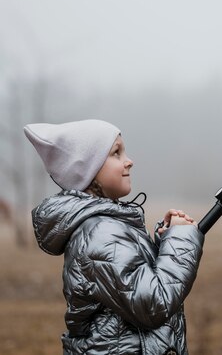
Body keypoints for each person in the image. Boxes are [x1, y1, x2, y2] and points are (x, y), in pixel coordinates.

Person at [24, 119, 204, 355]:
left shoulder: (107, 226)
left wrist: (165, 242)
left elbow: (135, 283)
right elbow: (152, 303)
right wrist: (181, 240)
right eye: (116, 153)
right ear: (88, 170)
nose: (129, 161)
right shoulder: (99, 233)